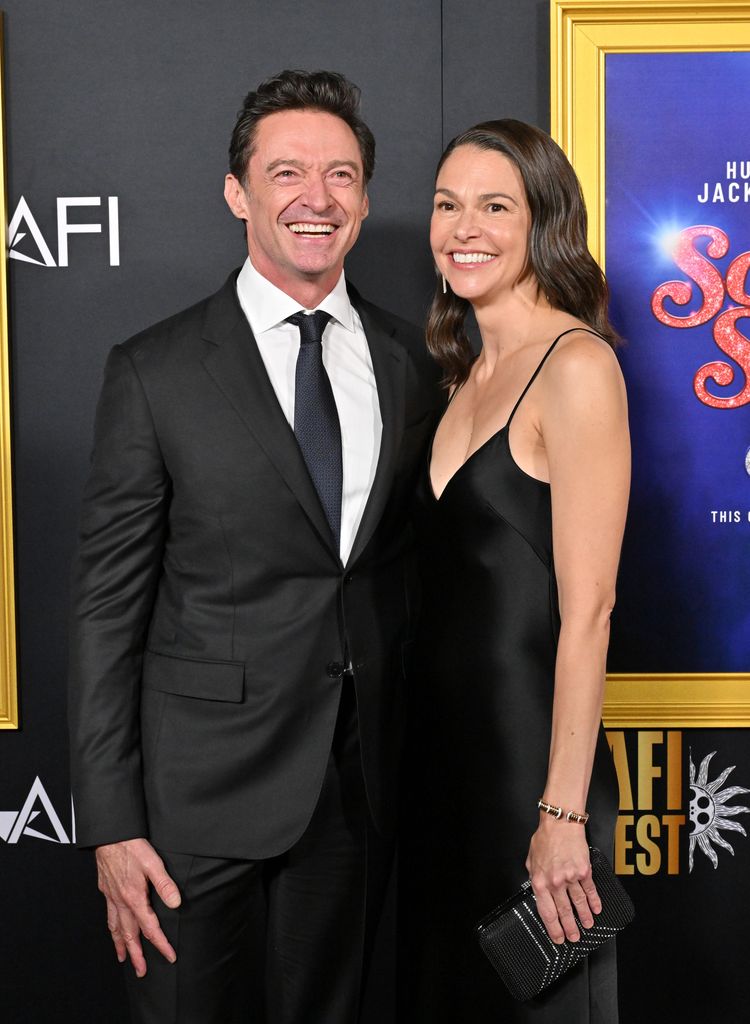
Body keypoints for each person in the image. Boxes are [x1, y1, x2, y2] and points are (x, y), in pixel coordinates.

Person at [68, 69, 440, 1024]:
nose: (316, 200)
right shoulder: (154, 371)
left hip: (352, 799)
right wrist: (111, 827)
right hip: (192, 810)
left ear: (365, 196)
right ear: (238, 193)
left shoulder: (414, 363)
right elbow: (108, 611)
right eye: (287, 173)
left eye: (343, 176)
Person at [398, 119, 630, 1023]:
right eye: (448, 204)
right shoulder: (459, 376)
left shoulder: (578, 367)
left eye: (495, 205)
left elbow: (591, 611)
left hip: (531, 777)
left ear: (543, 222)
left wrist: (562, 814)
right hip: (441, 776)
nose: (465, 228)